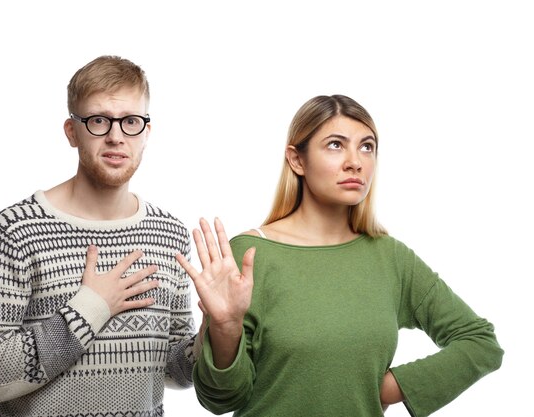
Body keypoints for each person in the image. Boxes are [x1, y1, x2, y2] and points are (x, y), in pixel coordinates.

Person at [177, 95, 504, 416]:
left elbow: (479, 342)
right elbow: (220, 400)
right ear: (297, 160)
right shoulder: (250, 254)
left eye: (367, 146)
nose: (356, 161)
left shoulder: (389, 257)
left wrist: (393, 386)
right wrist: (225, 328)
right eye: (335, 144)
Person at [0, 55, 201, 417]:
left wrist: (219, 331)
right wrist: (91, 307)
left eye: (131, 122)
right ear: (72, 131)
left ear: (147, 133)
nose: (116, 136)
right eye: (98, 121)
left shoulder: (169, 234)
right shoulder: (16, 229)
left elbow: (174, 371)